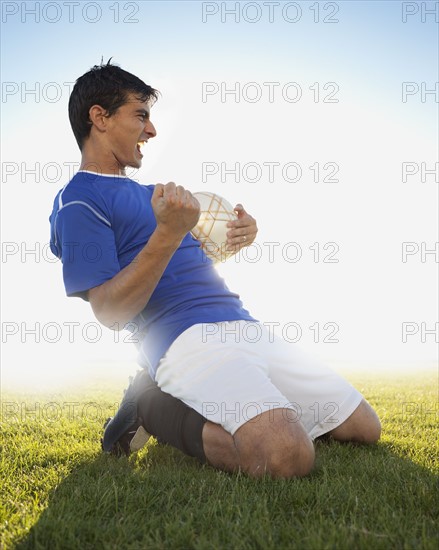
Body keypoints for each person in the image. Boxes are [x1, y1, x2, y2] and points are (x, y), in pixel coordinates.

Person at [50, 61, 381, 478]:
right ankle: (152, 405)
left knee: (364, 427)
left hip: (241, 321)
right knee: (285, 457)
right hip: (181, 338)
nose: (151, 130)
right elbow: (111, 311)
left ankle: (242, 403)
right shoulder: (79, 201)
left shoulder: (155, 194)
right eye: (140, 115)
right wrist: (168, 233)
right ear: (99, 117)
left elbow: (184, 262)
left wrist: (236, 235)